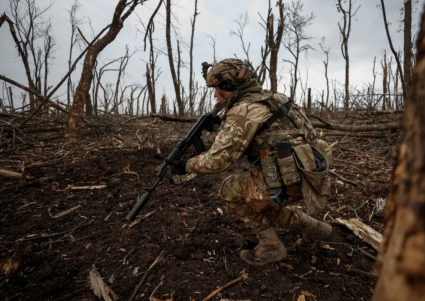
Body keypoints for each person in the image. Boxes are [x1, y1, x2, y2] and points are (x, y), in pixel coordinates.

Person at [169, 58, 332, 266]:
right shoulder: (276, 98)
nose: (215, 95)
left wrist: (184, 166)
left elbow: (218, 161)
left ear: (231, 87)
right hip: (312, 175)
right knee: (263, 206)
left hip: (286, 179)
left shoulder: (243, 110)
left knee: (229, 190)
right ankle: (318, 229)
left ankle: (270, 245)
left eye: (219, 89)